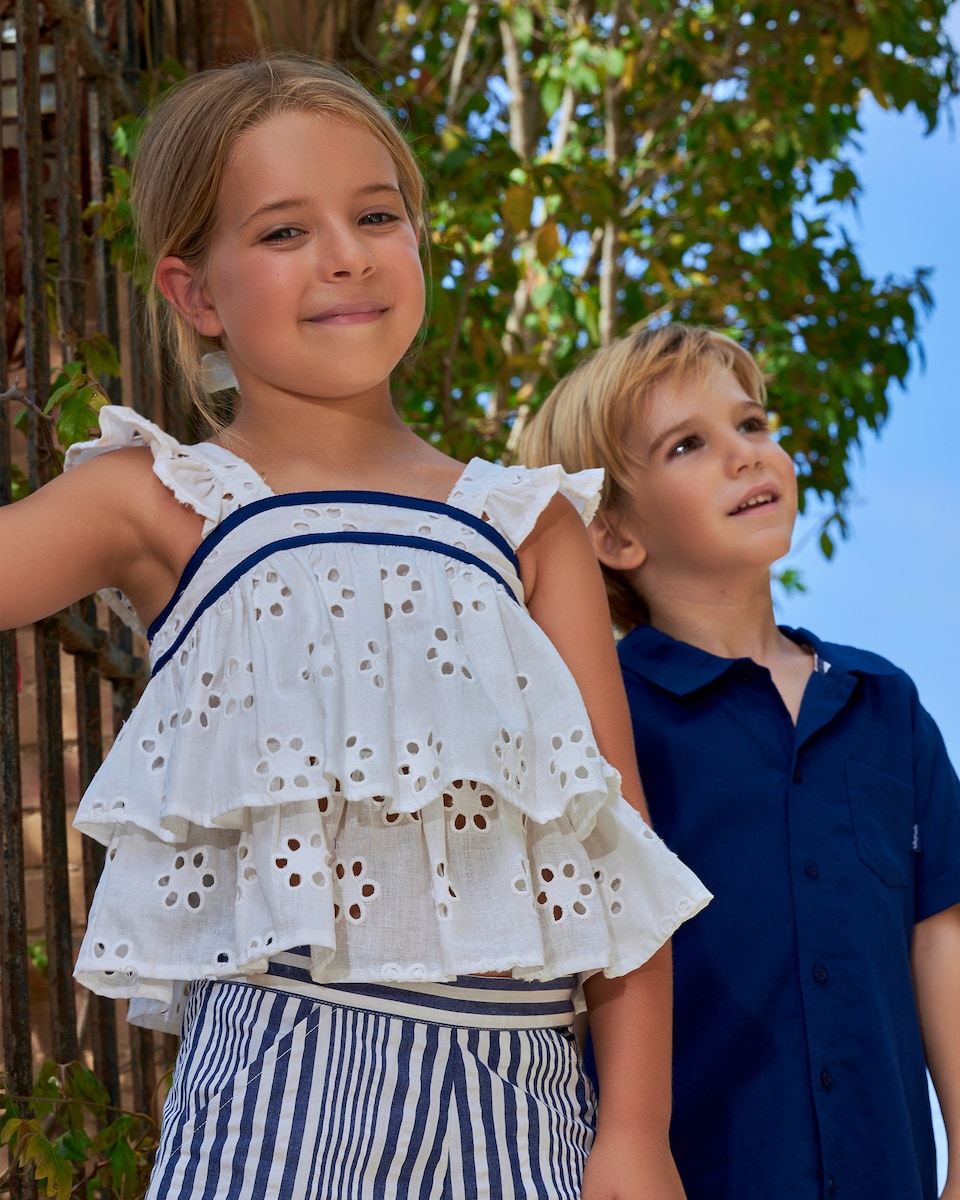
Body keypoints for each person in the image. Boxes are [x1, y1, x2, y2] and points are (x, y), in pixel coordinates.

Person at [0, 57, 712, 1200]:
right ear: (196, 295)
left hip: (525, 1095)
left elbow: (611, 833)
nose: (345, 254)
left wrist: (634, 1130)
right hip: (284, 1067)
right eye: (284, 232)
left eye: (377, 215)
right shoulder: (164, 494)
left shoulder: (526, 525)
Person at [518, 321, 960, 1200]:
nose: (744, 455)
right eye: (689, 444)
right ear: (612, 534)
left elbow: (938, 932)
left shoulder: (887, 705)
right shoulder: (599, 726)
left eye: (752, 425)